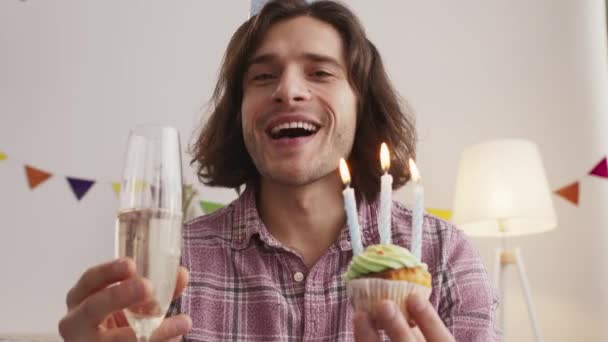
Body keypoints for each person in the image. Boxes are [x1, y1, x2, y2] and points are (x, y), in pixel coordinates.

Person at [58, 0, 500, 341]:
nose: (288, 91)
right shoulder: (176, 264)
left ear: (361, 104)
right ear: (239, 113)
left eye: (320, 72)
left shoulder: (443, 258)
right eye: (263, 77)